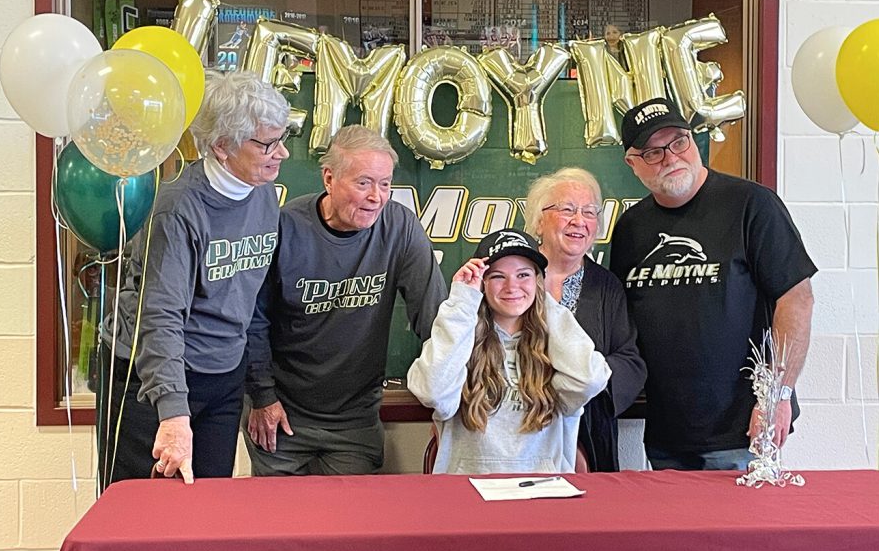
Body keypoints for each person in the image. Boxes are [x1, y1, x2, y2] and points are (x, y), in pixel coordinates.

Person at [102, 70, 290, 486]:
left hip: (222, 376)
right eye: (267, 143)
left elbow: (252, 304)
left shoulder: (262, 197)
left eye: (283, 138)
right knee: (142, 518)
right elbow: (161, 317)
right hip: (150, 377)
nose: (282, 153)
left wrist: (261, 389)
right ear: (222, 146)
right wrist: (172, 412)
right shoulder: (178, 210)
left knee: (206, 513)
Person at [610, 98, 816, 471]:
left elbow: (796, 299)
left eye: (678, 142)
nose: (671, 157)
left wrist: (776, 397)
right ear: (633, 163)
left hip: (744, 431)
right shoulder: (630, 228)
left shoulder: (752, 205)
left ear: (693, 141)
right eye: (653, 152)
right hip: (665, 435)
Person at [245, 125, 447, 475]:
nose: (377, 197)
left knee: (347, 523)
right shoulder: (284, 227)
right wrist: (262, 397)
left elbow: (435, 318)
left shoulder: (399, 227)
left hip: (355, 419)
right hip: (281, 414)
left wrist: (451, 403)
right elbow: (252, 320)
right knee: (279, 524)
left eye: (385, 184)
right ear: (329, 178)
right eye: (364, 182)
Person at [407, 229, 611, 474]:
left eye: (523, 275)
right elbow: (433, 392)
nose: (512, 286)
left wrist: (545, 302)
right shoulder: (459, 339)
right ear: (482, 284)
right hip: (469, 492)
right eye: (498, 277)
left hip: (543, 493)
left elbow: (590, 379)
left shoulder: (558, 345)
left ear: (538, 280)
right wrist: (463, 301)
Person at [523, 167, 646, 471]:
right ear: (539, 221)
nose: (580, 221)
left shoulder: (607, 287)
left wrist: (581, 381)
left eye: (590, 212)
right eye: (567, 209)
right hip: (514, 427)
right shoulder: (512, 276)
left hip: (587, 435)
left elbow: (630, 361)